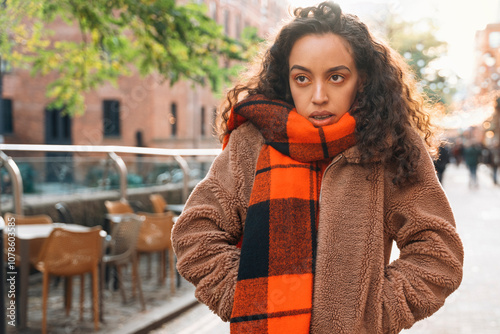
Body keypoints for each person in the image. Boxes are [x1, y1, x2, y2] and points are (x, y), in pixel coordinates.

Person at [171, 2, 464, 333]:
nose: (319, 95)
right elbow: (195, 232)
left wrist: (374, 315)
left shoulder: (388, 142)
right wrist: (245, 302)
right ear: (287, 79)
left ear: (362, 79)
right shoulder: (254, 140)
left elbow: (439, 253)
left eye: (336, 77)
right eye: (303, 78)